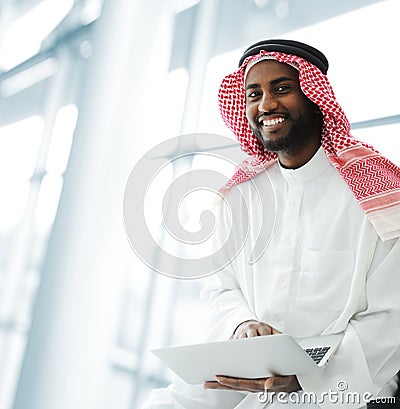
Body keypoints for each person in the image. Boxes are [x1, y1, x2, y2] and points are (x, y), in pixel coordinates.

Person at [142, 39, 400, 408]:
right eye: (253, 93)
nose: (266, 105)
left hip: (341, 385)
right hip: (248, 371)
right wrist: (241, 324)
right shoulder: (242, 194)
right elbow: (220, 288)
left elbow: (391, 319)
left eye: (282, 89)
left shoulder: (378, 194)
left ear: (315, 97)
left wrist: (305, 378)